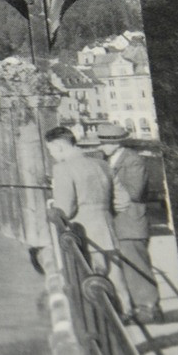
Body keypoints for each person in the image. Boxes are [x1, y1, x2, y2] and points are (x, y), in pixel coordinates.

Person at [44, 125, 132, 314]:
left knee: (94, 285)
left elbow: (66, 210)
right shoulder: (102, 165)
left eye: (50, 149)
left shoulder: (62, 168)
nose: (51, 154)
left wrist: (53, 204)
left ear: (59, 146)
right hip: (107, 230)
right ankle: (127, 315)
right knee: (116, 280)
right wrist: (105, 214)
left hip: (84, 234)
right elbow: (124, 200)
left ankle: (107, 328)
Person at [98, 122, 164, 323]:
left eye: (105, 143)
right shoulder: (108, 159)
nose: (101, 146)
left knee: (138, 266)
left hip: (132, 221)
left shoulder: (133, 160)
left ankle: (149, 309)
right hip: (120, 222)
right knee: (127, 266)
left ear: (117, 143)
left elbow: (134, 192)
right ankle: (137, 309)